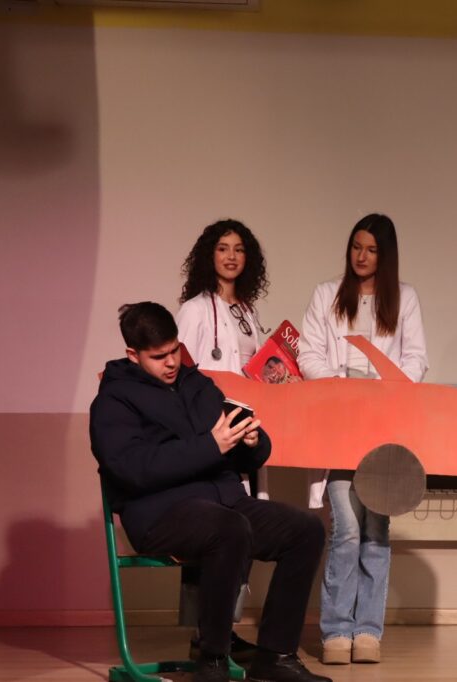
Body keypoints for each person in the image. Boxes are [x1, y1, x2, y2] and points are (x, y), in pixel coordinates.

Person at [90, 302, 331, 682]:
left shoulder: (196, 384)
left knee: (306, 530)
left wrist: (252, 441)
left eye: (174, 350)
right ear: (133, 355)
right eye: (159, 357)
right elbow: (132, 469)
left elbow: (238, 445)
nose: (172, 362)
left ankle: (276, 655)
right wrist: (210, 446)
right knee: (229, 528)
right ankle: (213, 660)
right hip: (159, 514)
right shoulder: (113, 400)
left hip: (225, 501)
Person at [297, 213, 428, 665]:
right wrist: (341, 386)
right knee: (346, 528)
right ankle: (336, 631)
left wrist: (381, 390)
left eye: (371, 249)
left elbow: (416, 359)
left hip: (384, 428)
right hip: (339, 425)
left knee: (376, 528)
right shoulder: (326, 294)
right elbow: (308, 353)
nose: (361, 256)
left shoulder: (405, 298)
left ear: (385, 255)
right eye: (356, 246)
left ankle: (368, 632)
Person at [176, 218, 272, 498]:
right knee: (222, 496)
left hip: (246, 419)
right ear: (210, 255)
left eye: (239, 250)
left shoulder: (248, 311)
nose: (231, 256)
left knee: (250, 496)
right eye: (223, 248)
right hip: (211, 420)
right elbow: (180, 370)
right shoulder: (195, 309)